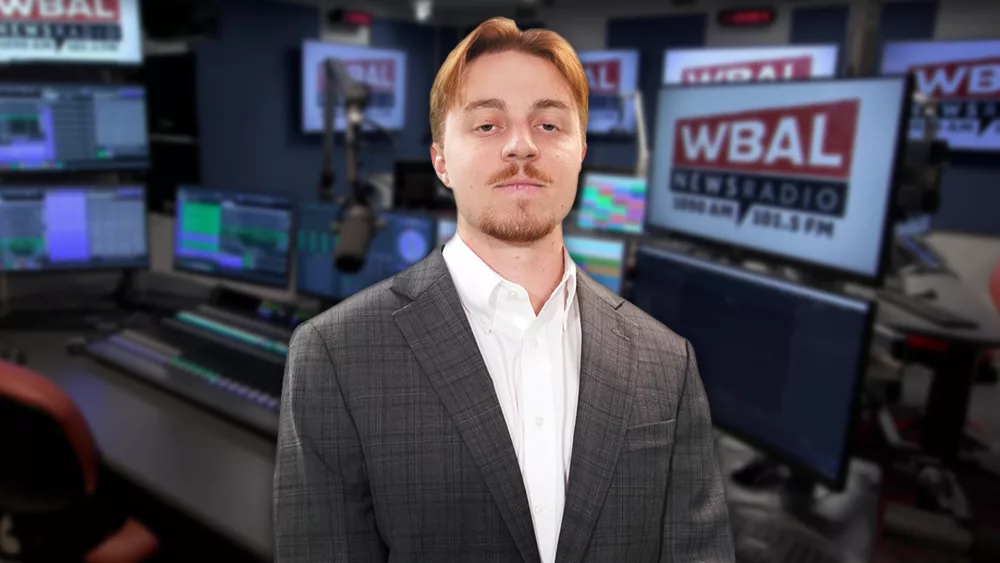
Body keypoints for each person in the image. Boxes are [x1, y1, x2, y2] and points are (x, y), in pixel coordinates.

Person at [273, 16, 735, 563]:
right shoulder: (334, 354)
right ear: (441, 160)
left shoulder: (666, 360)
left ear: (581, 149)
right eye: (487, 126)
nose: (521, 146)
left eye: (549, 125)